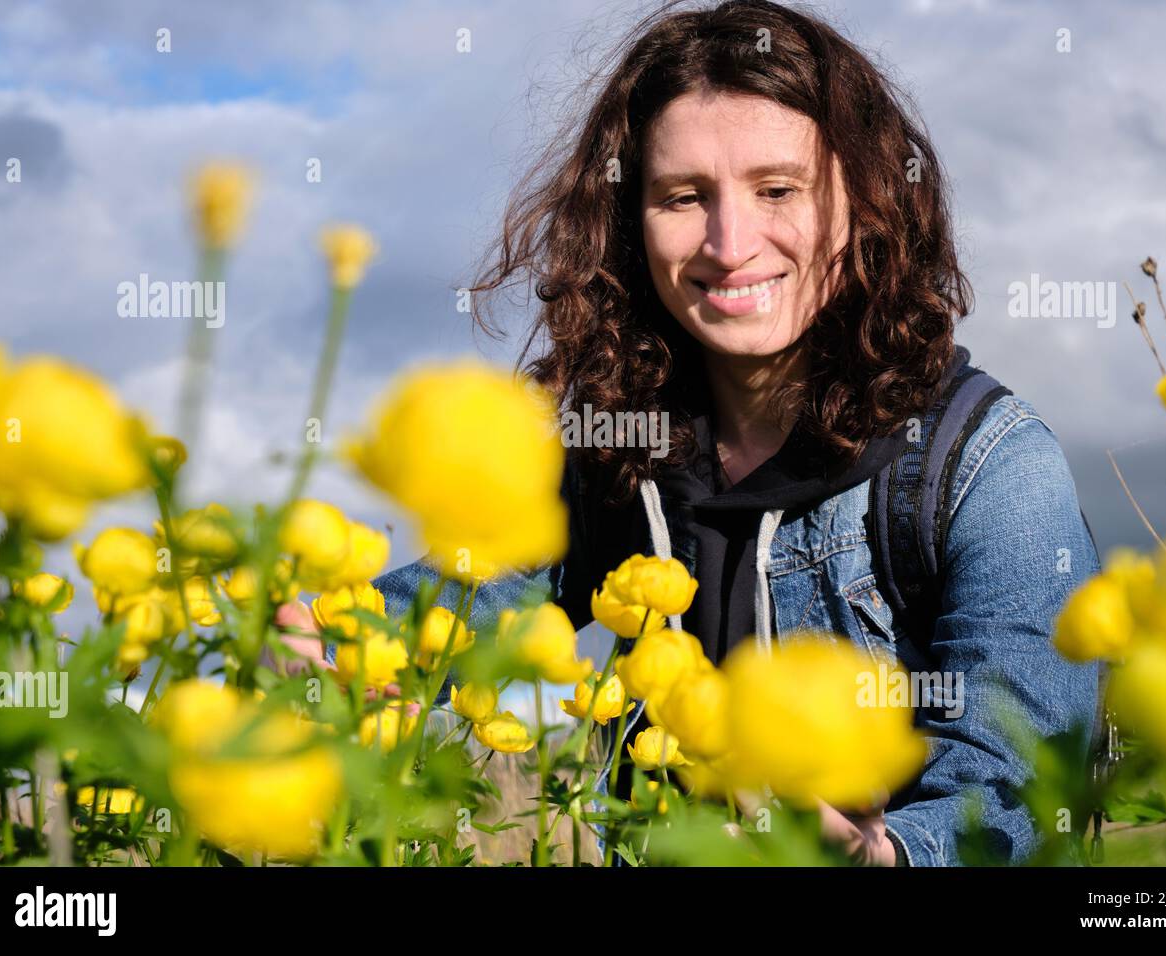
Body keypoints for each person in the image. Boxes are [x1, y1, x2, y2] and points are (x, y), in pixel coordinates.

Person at [278, 0, 1099, 867]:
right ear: (630, 222)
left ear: (865, 202)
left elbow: (1019, 782)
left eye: (778, 190)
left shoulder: (989, 466)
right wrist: (314, 643)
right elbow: (448, 613)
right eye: (684, 197)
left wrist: (886, 854)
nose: (729, 243)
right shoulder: (615, 447)